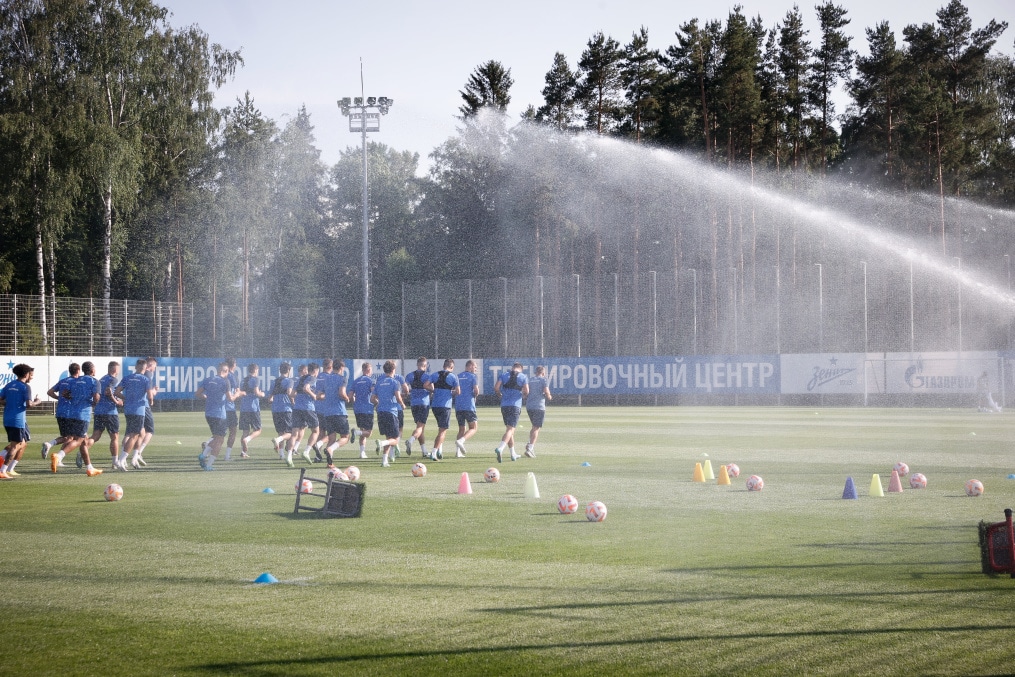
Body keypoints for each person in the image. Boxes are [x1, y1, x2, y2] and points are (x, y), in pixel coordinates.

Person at [52, 362, 102, 476]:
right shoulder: (95, 381)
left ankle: (90, 468)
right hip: (83, 415)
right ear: (92, 370)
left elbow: (66, 394)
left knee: (84, 441)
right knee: (79, 440)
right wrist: (94, 402)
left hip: (71, 414)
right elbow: (96, 397)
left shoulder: (75, 380)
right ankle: (59, 455)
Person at [1, 363, 42, 479]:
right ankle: (3, 470)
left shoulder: (9, 385)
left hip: (7, 418)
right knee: (15, 446)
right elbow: (29, 404)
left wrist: (10, 403)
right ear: (26, 374)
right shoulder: (25, 387)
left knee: (22, 443)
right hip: (17, 420)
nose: (31, 376)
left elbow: (0, 399)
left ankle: (8, 468)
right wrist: (37, 401)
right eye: (30, 374)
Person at [196, 362, 239, 470]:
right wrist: (238, 394)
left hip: (208, 413)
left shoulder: (208, 379)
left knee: (216, 438)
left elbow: (198, 393)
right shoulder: (225, 381)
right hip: (219, 414)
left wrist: (206, 397)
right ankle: (208, 464)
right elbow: (230, 398)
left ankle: (203, 454)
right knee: (220, 440)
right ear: (226, 371)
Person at [116, 359, 153, 467]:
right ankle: (122, 459)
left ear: (136, 367)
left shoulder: (127, 378)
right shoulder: (146, 379)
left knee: (137, 433)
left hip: (128, 410)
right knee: (134, 435)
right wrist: (151, 401)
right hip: (139, 410)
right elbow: (150, 396)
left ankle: (133, 458)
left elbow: (117, 392)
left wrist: (125, 398)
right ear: (145, 368)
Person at [371, 360, 405, 467]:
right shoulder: (395, 382)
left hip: (380, 412)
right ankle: (381, 443)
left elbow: (372, 399)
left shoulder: (379, 382)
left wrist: (379, 403)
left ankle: (384, 461)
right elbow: (398, 397)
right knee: (394, 439)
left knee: (388, 437)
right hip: (391, 412)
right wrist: (403, 405)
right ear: (393, 370)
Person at [90, 361, 124, 470]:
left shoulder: (101, 379)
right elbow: (108, 392)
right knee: (114, 437)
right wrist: (116, 401)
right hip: (110, 412)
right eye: (118, 369)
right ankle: (115, 462)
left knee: (95, 436)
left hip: (99, 411)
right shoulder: (113, 379)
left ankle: (82, 451)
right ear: (115, 370)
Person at [41, 365, 77, 465]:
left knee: (66, 437)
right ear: (78, 371)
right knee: (71, 438)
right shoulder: (76, 382)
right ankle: (56, 453)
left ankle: (55, 453)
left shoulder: (63, 381)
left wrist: (59, 398)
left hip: (60, 412)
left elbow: (49, 392)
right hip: (69, 413)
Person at [493, 363, 528, 463]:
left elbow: (496, 388)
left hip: (504, 405)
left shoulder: (504, 375)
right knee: (510, 430)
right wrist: (523, 396)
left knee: (509, 429)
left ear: (512, 368)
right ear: (520, 369)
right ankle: (501, 448)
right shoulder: (523, 376)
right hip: (515, 405)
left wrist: (500, 394)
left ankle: (513, 454)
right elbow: (526, 390)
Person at [321, 358, 353, 466]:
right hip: (339, 411)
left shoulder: (326, 379)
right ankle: (330, 449)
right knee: (345, 437)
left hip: (327, 412)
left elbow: (320, 394)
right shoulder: (342, 378)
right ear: (341, 368)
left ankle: (329, 463)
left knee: (331, 437)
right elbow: (341, 392)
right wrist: (347, 398)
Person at [291, 363, 322, 465]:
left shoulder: (300, 378)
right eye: (318, 371)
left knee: (294, 433)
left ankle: (289, 456)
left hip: (296, 408)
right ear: (315, 371)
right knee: (316, 431)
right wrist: (313, 395)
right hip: (308, 408)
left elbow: (292, 394)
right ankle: (306, 451)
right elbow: (306, 388)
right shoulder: (312, 378)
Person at [428, 358, 459, 461]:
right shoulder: (453, 376)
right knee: (442, 431)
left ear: (443, 366)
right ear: (452, 367)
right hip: (445, 406)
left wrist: (433, 390)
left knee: (441, 429)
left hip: (435, 405)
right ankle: (434, 452)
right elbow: (458, 391)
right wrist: (451, 393)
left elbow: (425, 385)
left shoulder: (435, 374)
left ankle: (440, 450)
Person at [405, 357, 433, 458]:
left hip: (413, 404)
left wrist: (409, 393)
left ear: (417, 365)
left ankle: (424, 451)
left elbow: (406, 388)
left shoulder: (410, 375)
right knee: (420, 427)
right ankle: (411, 440)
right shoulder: (426, 376)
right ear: (425, 366)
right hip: (423, 403)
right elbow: (431, 388)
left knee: (420, 428)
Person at [269, 362, 296, 466]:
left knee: (281, 431)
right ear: (288, 371)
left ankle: (281, 454)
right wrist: (293, 401)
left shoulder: (274, 381)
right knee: (289, 433)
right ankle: (278, 440)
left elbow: (269, 398)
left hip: (275, 409)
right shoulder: (289, 381)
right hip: (286, 409)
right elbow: (289, 393)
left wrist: (274, 400)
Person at [135, 356, 159, 465]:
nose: (155, 368)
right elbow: (148, 392)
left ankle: (135, 453)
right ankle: (138, 452)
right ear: (150, 365)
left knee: (140, 431)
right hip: (144, 405)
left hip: (136, 405)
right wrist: (153, 395)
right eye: (155, 366)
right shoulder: (149, 374)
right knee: (150, 430)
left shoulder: (139, 375)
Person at [524, 365, 552, 458]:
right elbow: (546, 391)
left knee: (534, 426)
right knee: (536, 428)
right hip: (539, 406)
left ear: (535, 372)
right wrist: (549, 396)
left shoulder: (530, 379)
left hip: (529, 406)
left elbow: (525, 391)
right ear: (543, 373)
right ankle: (530, 448)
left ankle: (529, 443)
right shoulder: (543, 380)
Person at [237, 363, 264, 457]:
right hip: (253, 408)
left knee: (245, 431)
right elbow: (256, 392)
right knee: (258, 430)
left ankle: (243, 452)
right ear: (256, 370)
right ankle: (247, 440)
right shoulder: (255, 379)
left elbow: (240, 392)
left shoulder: (243, 380)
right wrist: (262, 394)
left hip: (244, 408)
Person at [454, 360, 480, 457]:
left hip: (458, 406)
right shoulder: (473, 376)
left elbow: (455, 390)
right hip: (469, 405)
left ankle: (458, 452)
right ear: (470, 366)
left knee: (461, 429)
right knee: (473, 428)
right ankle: (461, 441)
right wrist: (475, 395)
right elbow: (476, 390)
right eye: (475, 367)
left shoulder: (457, 376)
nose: (476, 369)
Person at [350, 362, 375, 457]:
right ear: (369, 370)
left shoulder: (356, 381)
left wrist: (355, 400)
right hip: (367, 408)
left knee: (363, 430)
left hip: (357, 409)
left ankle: (362, 452)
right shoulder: (370, 381)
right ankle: (355, 432)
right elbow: (373, 393)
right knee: (368, 433)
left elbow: (351, 397)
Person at [223, 357, 241, 460]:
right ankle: (227, 456)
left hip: (221, 408)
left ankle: (208, 444)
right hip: (229, 408)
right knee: (233, 431)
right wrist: (241, 393)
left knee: (220, 431)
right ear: (233, 365)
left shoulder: (221, 376)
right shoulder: (232, 377)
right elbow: (237, 391)